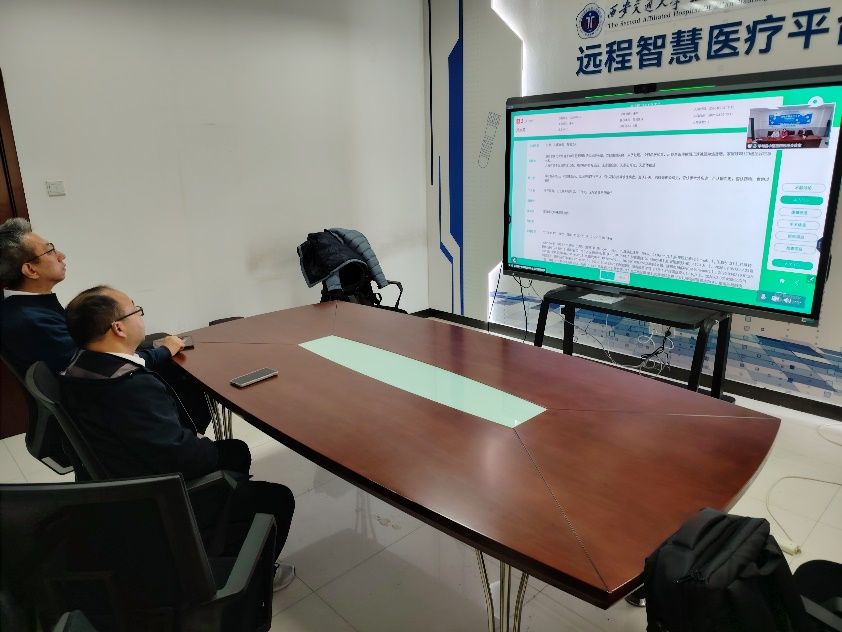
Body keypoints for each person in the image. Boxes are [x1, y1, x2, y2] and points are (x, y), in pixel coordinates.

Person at [60, 285, 295, 590]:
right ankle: (251, 578)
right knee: (275, 495)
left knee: (234, 450)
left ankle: (223, 524)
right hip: (160, 497)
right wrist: (197, 440)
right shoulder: (129, 387)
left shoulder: (80, 366)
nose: (141, 316)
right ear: (118, 328)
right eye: (136, 310)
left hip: (120, 479)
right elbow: (184, 457)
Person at [0, 218, 210, 432]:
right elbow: (99, 367)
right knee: (178, 367)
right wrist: (163, 351)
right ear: (31, 270)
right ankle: (190, 439)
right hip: (103, 407)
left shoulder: (25, 306)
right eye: (50, 250)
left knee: (164, 346)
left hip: (96, 388)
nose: (61, 255)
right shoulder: (30, 321)